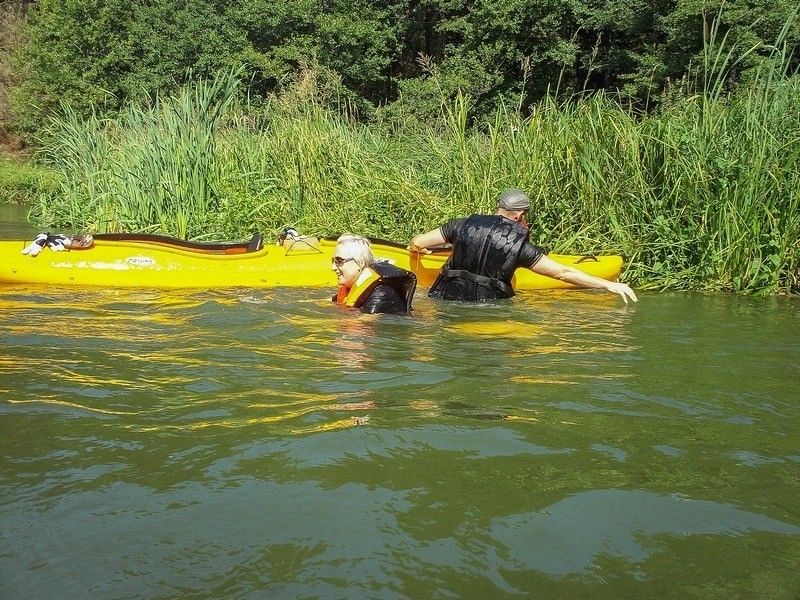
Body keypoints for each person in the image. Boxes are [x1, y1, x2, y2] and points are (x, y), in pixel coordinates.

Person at [408, 188, 638, 304]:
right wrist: (607, 285)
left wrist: (424, 252)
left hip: (443, 298)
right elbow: (562, 272)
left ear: (499, 207)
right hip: (488, 308)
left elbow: (417, 242)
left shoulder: (460, 225)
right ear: (519, 215)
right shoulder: (519, 246)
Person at [331, 234, 417, 314]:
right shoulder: (351, 288)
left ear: (361, 263)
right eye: (333, 261)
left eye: (339, 261)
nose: (333, 267)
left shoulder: (381, 294)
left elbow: (362, 325)